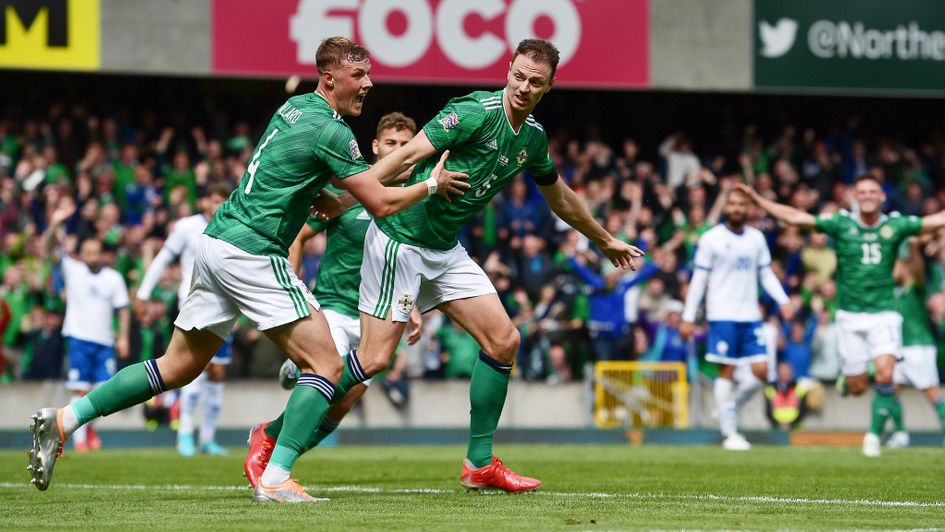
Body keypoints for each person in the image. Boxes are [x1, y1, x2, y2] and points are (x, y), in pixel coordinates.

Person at [27, 36, 468, 502]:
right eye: (358, 75)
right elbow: (378, 205)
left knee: (175, 367)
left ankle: (63, 420)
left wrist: (348, 193)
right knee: (327, 364)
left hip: (217, 241)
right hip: (253, 250)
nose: (368, 83)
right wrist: (429, 186)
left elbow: (316, 192)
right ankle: (275, 478)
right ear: (330, 77)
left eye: (368, 74)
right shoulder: (332, 131)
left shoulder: (294, 109)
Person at [311, 39, 642, 492]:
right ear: (508, 69)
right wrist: (347, 198)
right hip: (402, 242)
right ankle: (272, 437)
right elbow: (405, 158)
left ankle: (479, 464)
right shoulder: (473, 112)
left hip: (446, 249)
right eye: (519, 76)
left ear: (550, 86)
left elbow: (560, 196)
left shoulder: (532, 138)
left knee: (505, 340)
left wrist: (603, 240)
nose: (524, 87)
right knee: (373, 360)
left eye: (536, 82)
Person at [243, 112, 424, 488]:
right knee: (327, 382)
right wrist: (295, 288)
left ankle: (273, 445)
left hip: (377, 316)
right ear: (376, 148)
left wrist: (413, 307)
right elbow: (297, 238)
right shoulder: (354, 195)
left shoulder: (412, 201)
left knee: (343, 402)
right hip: (336, 309)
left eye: (406, 145)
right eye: (391, 143)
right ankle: (275, 460)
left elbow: (401, 260)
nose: (399, 150)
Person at [737, 176, 945, 457]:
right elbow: (797, 217)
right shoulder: (841, 224)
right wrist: (758, 201)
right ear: (855, 197)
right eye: (862, 191)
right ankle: (849, 382)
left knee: (886, 373)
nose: (868, 195)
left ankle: (873, 437)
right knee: (858, 387)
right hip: (850, 317)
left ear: (882, 196)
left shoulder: (895, 225)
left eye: (873, 190)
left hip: (884, 314)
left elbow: (934, 221)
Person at [680, 188, 792, 451]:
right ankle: (729, 432)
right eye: (732, 203)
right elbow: (699, 280)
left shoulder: (756, 239)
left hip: (750, 315)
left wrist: (783, 299)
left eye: (742, 204)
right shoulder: (711, 239)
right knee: (726, 372)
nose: (737, 208)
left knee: (763, 372)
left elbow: (765, 275)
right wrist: (688, 316)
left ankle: (728, 408)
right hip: (722, 315)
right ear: (726, 207)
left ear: (749, 208)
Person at [134, 184, 231, 457]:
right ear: (203, 202)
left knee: (218, 372)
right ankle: (185, 434)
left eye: (224, 200)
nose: (219, 205)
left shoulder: (233, 223)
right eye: (214, 199)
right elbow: (164, 258)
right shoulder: (187, 227)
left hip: (225, 306)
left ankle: (208, 438)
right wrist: (142, 293)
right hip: (193, 304)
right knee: (194, 369)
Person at [43, 202, 131, 452]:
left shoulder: (113, 278)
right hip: (80, 338)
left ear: (102, 253)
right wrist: (55, 222)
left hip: (104, 342)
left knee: (103, 393)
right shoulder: (73, 269)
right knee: (80, 389)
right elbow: (50, 246)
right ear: (81, 253)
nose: (92, 256)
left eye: (96, 252)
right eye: (88, 252)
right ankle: (80, 441)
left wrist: (123, 337)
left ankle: (87, 430)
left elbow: (123, 309)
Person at [887, 237, 945, 448]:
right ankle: (900, 433)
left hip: (918, 346)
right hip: (900, 347)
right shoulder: (894, 291)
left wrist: (913, 246)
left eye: (900, 265)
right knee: (890, 391)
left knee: (930, 391)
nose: (897, 268)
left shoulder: (917, 286)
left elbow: (918, 266)